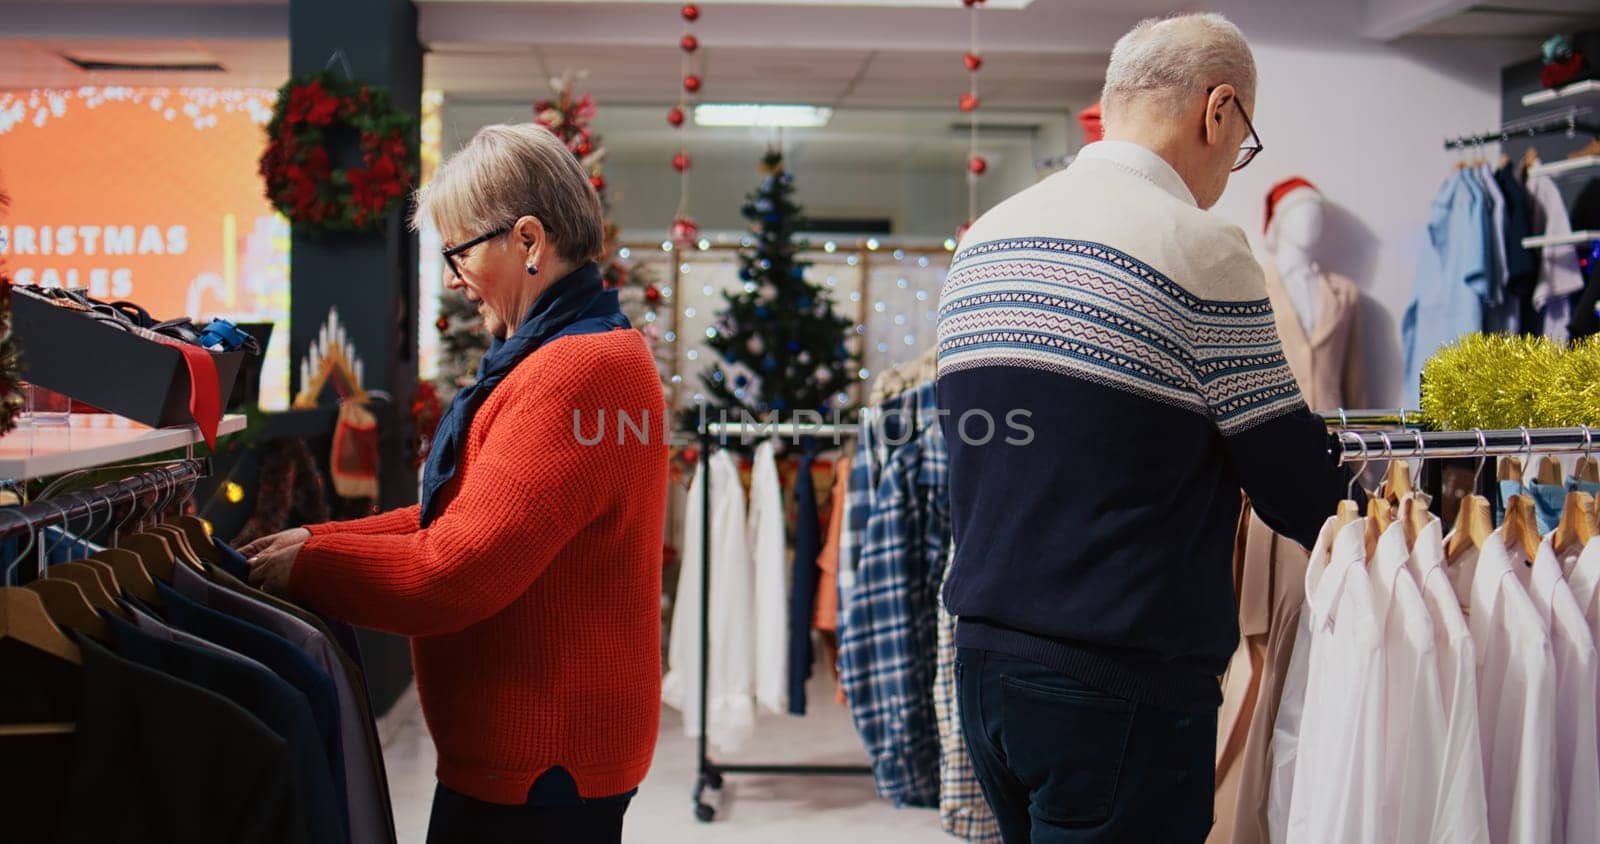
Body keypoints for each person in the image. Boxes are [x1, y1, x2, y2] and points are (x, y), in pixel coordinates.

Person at [936, 14, 1348, 842]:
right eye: (1244, 142)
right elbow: (1288, 479)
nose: (1234, 165)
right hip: (1117, 678)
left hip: (983, 666)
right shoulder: (1199, 246)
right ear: (1219, 110)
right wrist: (1416, 523)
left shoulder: (983, 241)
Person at [244, 123, 669, 844]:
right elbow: (463, 518)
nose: (450, 277)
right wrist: (316, 538)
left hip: (542, 767)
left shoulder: (578, 373)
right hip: (537, 760)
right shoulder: (565, 358)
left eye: (459, 251)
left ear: (529, 242)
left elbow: (453, 573)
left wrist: (311, 565)